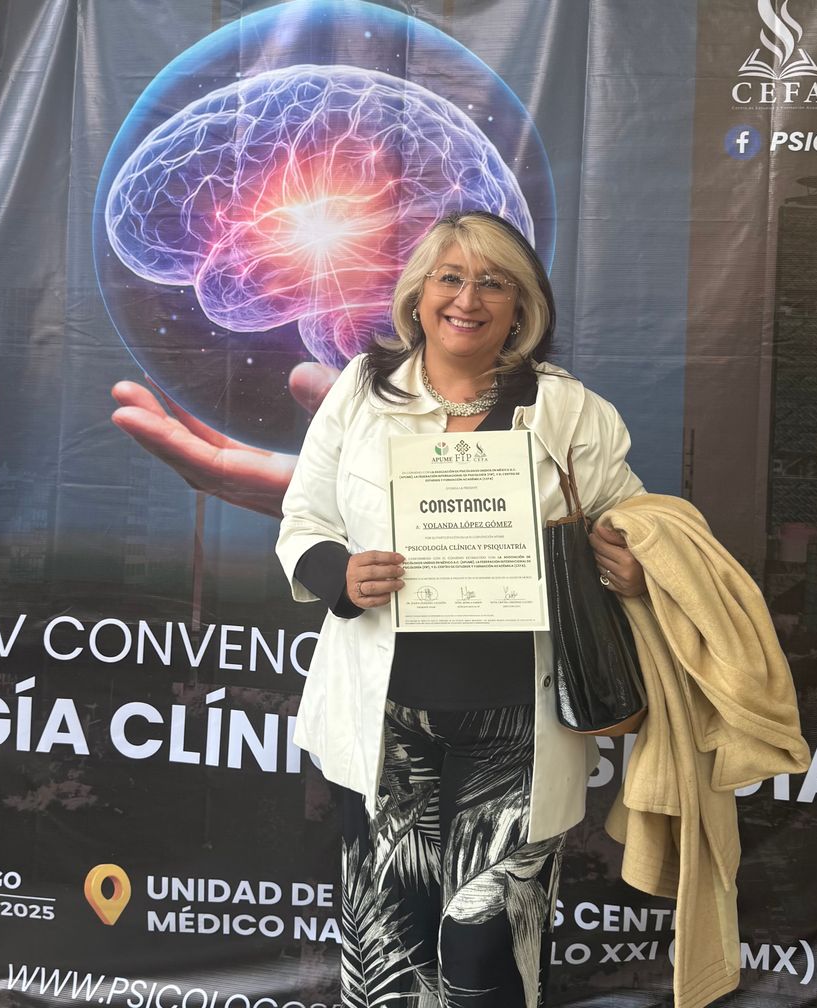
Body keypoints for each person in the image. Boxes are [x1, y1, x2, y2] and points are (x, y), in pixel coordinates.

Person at [274, 211, 646, 1008]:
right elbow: (303, 522)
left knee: (484, 951)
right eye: (450, 278)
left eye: (493, 283)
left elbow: (635, 524)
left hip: (519, 724)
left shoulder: (569, 411)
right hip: (386, 722)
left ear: (522, 308)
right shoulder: (361, 391)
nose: (467, 299)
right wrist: (341, 574)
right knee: (392, 953)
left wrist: (630, 565)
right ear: (419, 296)